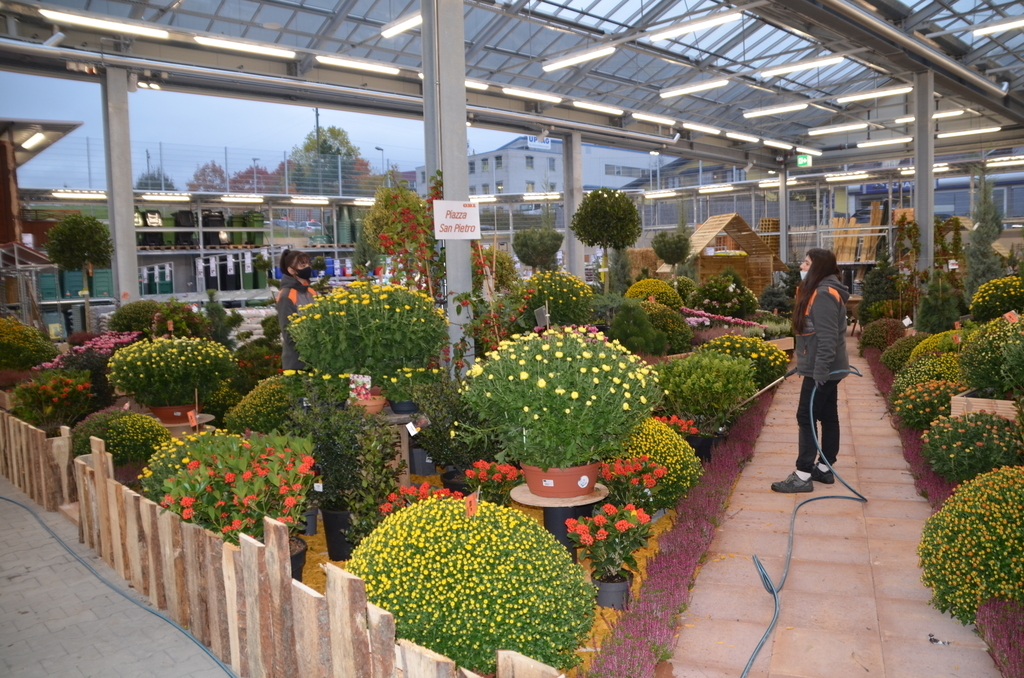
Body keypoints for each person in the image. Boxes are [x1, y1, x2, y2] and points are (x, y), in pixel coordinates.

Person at [772, 248, 850, 493]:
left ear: (818, 268)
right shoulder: (822, 290)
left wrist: (819, 372)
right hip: (826, 368)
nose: (802, 267)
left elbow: (827, 340)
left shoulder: (824, 294)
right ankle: (824, 469)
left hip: (823, 370)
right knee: (827, 416)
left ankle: (803, 473)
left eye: (806, 264)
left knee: (805, 417)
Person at [277, 249, 316, 371]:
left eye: (308, 264)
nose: (307, 268)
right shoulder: (286, 296)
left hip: (316, 359)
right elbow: (288, 332)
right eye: (302, 265)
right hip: (297, 363)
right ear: (291, 270)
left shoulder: (311, 292)